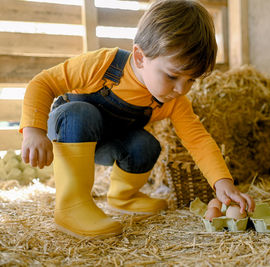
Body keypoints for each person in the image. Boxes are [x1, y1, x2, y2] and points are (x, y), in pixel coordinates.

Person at [20, 0, 255, 239]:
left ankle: (124, 197)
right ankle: (71, 206)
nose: (181, 89)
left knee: (146, 145)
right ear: (140, 57)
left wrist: (222, 182)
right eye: (173, 76)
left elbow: (198, 140)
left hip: (107, 143)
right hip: (70, 132)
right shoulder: (103, 64)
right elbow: (43, 82)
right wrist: (33, 130)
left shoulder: (173, 100)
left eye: (191, 80)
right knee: (81, 113)